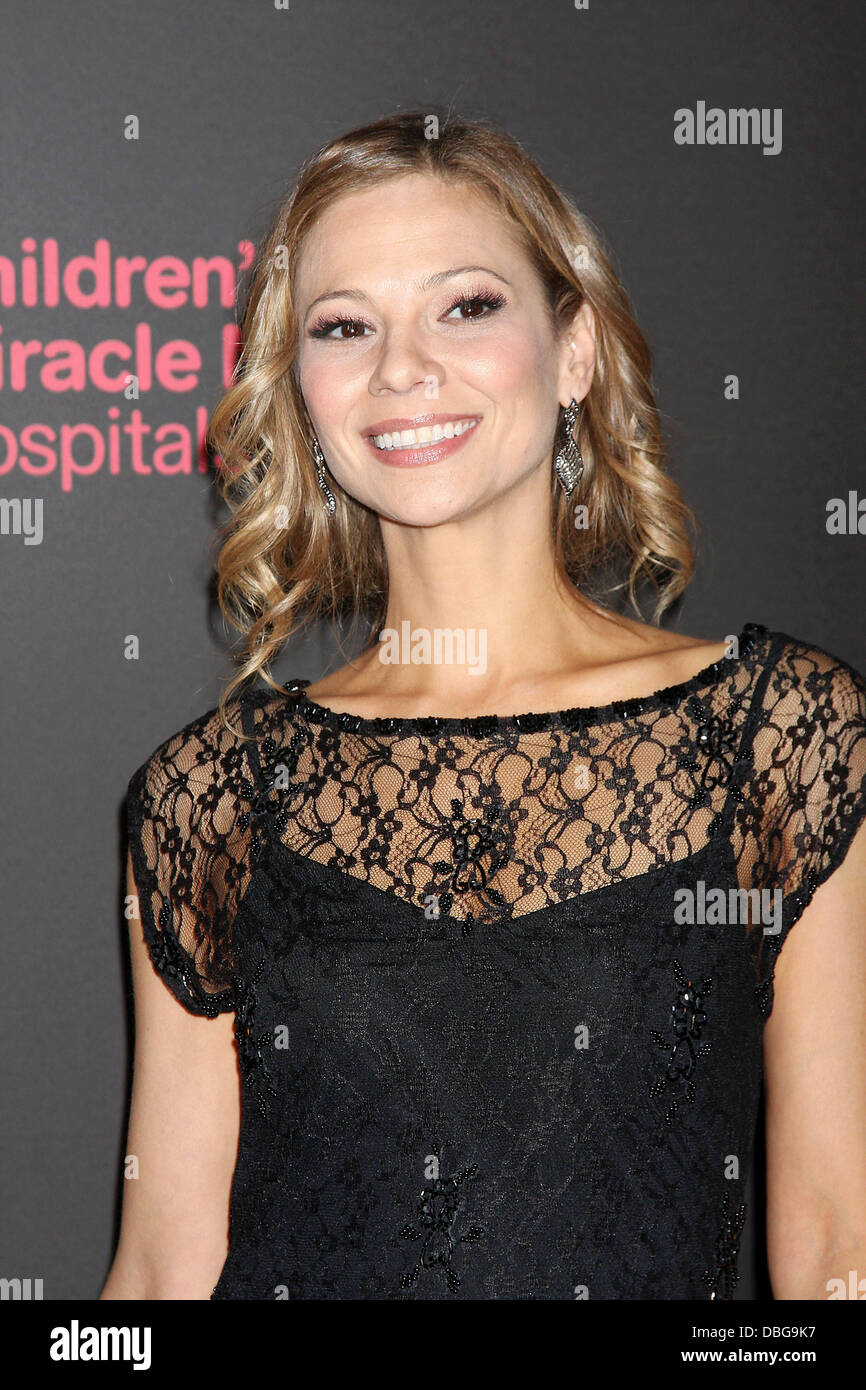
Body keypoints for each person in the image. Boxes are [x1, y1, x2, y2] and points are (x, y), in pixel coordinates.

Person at [100, 110, 866, 1301]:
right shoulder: (211, 793)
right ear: (301, 394)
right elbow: (159, 1277)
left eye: (465, 306)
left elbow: (834, 1248)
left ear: (575, 351)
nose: (402, 367)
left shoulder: (777, 733)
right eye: (344, 327)